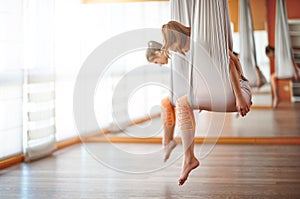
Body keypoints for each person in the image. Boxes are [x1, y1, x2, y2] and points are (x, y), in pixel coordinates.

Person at [161, 21, 252, 185]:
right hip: (230, 94)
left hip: (237, 94)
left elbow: (230, 62)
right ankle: (186, 157)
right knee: (182, 104)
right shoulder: (193, 50)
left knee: (181, 104)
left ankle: (188, 158)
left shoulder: (199, 45)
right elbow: (234, 58)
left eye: (170, 45)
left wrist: (240, 96)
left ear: (176, 39)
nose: (172, 50)